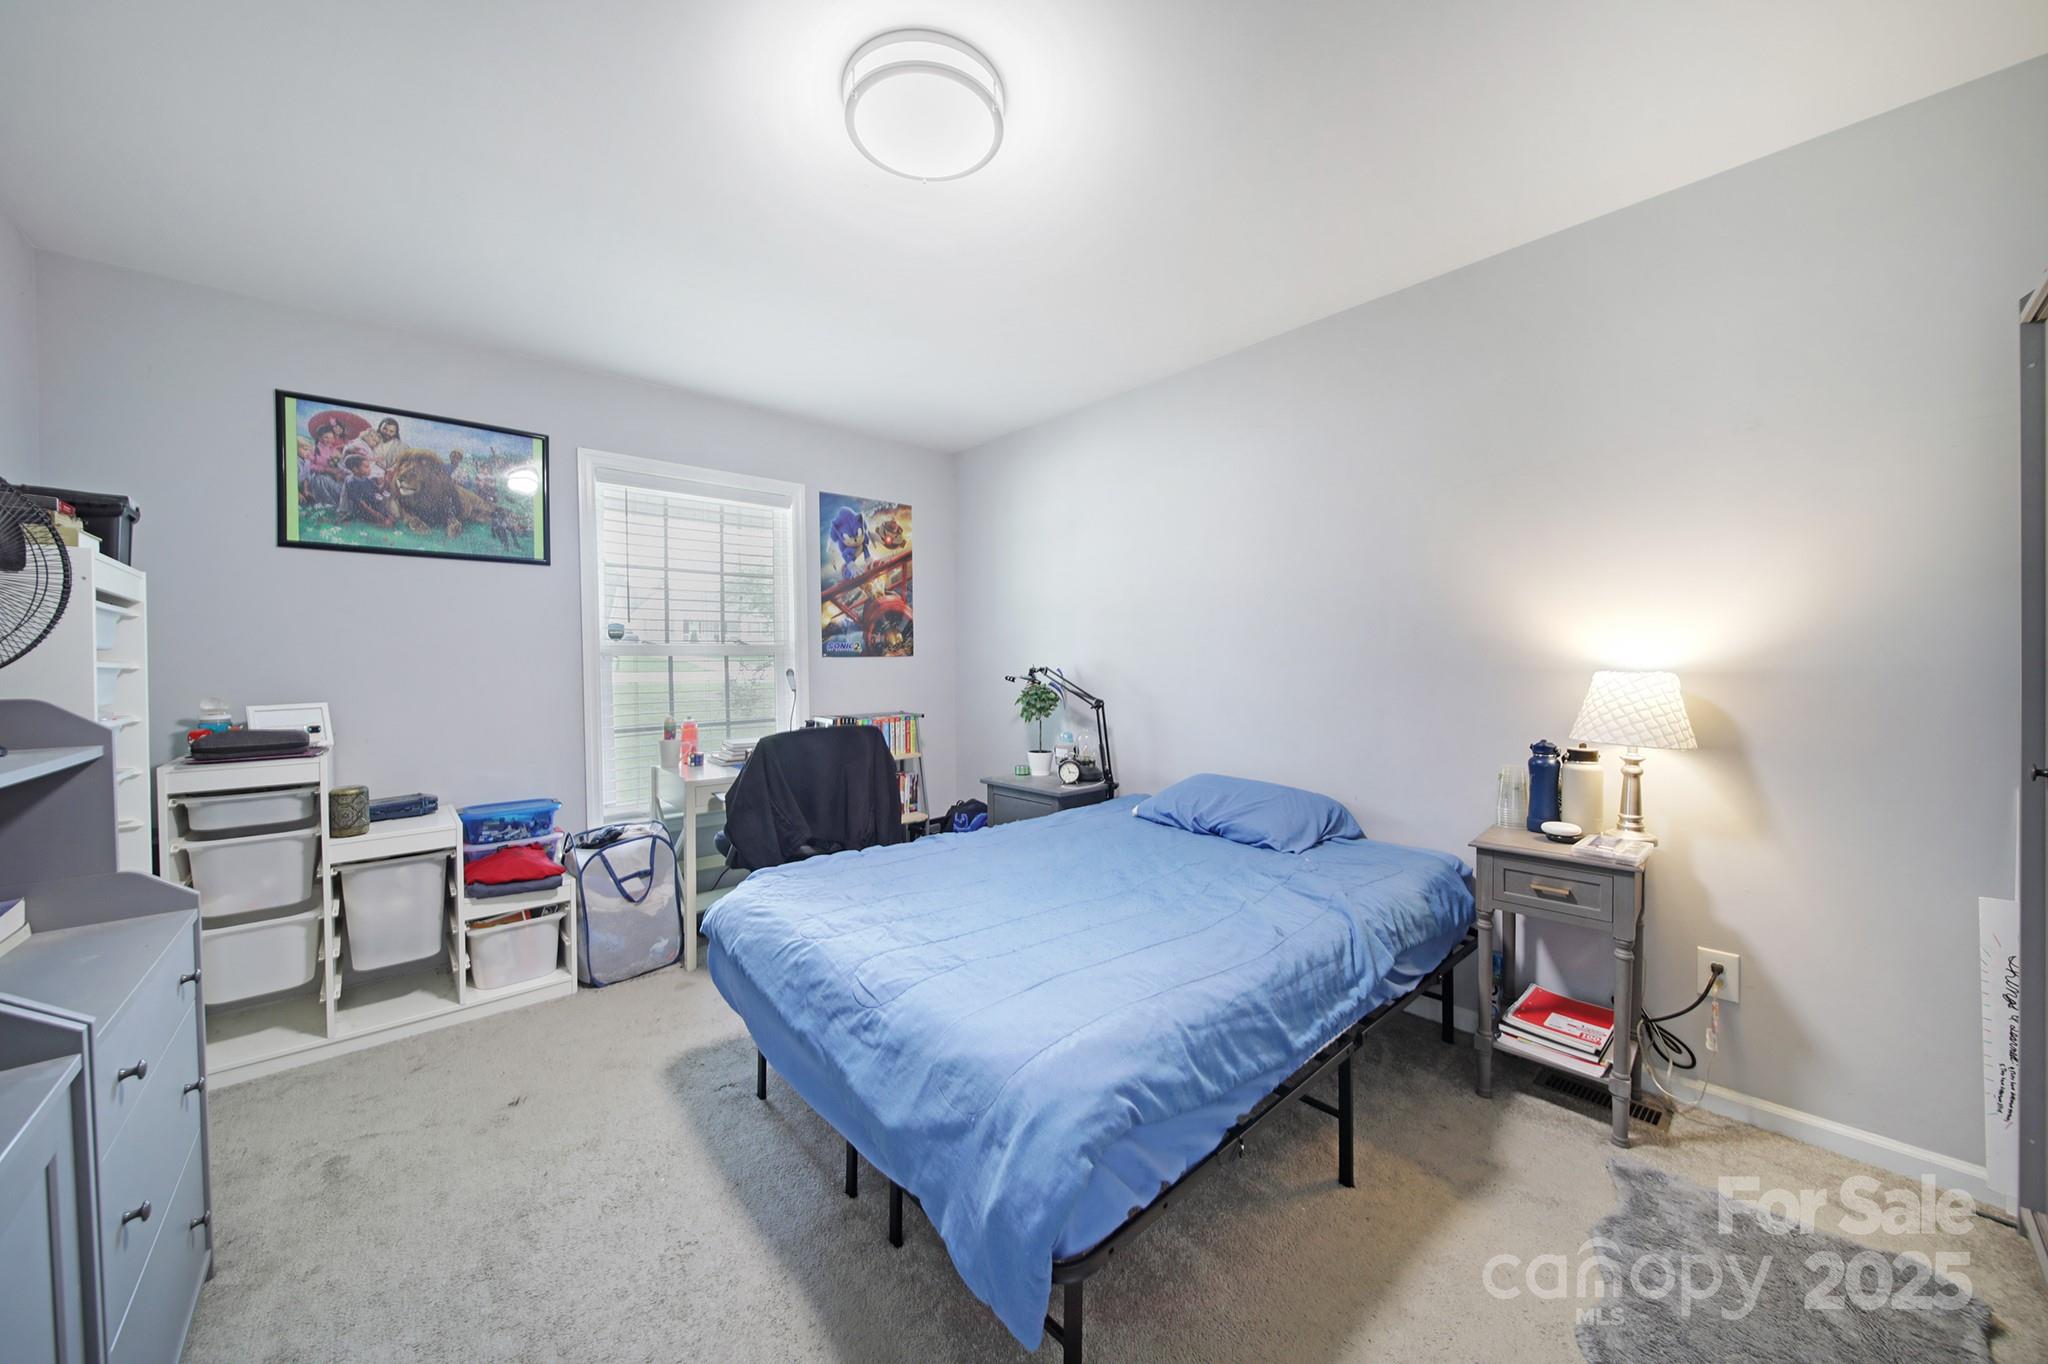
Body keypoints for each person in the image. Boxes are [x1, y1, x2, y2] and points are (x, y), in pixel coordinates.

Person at [339, 453, 394, 527]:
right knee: (387, 523)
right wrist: (376, 514)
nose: (370, 469)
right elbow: (361, 503)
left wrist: (386, 481)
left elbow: (379, 491)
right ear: (355, 469)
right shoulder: (352, 481)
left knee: (392, 520)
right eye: (366, 467)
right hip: (362, 510)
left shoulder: (367, 479)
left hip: (373, 506)